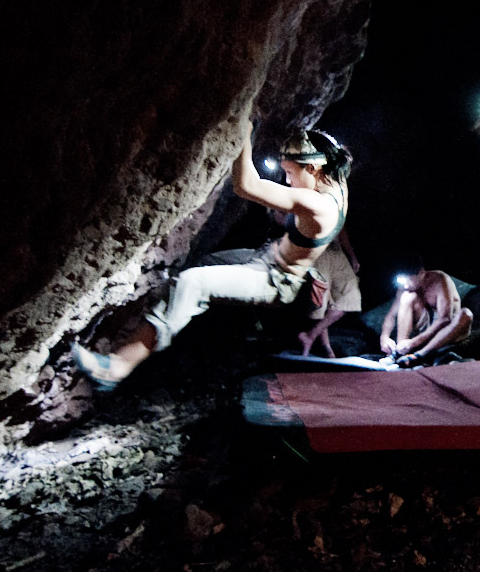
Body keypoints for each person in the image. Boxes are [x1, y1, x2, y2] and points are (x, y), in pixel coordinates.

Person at [72, 119, 352, 389]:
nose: (288, 181)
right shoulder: (336, 183)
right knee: (197, 270)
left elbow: (247, 186)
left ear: (314, 168)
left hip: (274, 280)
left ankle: (117, 368)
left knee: (192, 283)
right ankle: (170, 319)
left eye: (291, 173)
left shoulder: (320, 205)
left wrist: (244, 132)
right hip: (264, 256)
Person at [379, 254, 473, 367]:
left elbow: (445, 319)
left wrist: (413, 342)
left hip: (446, 332)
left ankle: (418, 356)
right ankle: (399, 353)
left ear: (421, 273)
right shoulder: (406, 287)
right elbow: (391, 316)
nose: (405, 284)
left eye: (408, 280)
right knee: (407, 297)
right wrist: (384, 336)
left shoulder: (440, 279)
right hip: (424, 331)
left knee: (466, 313)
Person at [298, 227, 362, 358]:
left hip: (336, 250)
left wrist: (352, 256)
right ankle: (326, 347)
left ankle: (310, 336)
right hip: (317, 249)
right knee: (321, 302)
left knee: (348, 299)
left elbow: (342, 228)